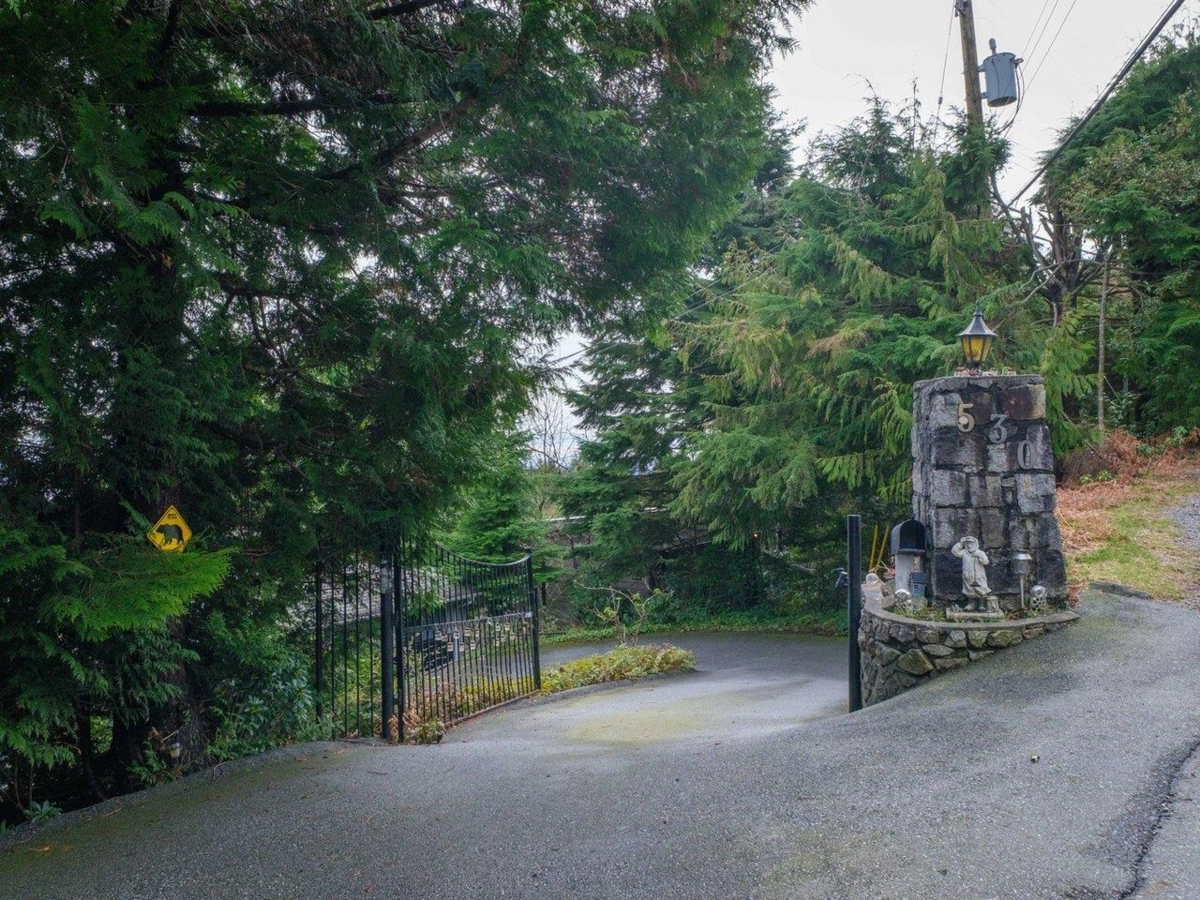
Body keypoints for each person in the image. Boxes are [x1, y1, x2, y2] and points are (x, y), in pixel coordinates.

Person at [951, 536, 990, 611]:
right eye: (967, 543)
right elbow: (954, 552)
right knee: (969, 590)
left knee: (981, 589)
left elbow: (986, 562)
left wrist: (980, 558)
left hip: (979, 577)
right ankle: (971, 605)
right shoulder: (964, 553)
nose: (969, 545)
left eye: (971, 543)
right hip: (968, 576)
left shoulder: (980, 553)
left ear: (975, 544)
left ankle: (981, 605)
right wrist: (960, 543)